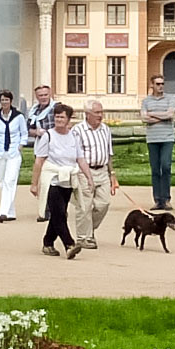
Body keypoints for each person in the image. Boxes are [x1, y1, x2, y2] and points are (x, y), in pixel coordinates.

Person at [39, 103, 87, 258]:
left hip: (68, 180)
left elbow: (80, 159)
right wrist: (34, 184)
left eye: (62, 117)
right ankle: (70, 244)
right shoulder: (48, 136)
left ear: (68, 119)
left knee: (58, 214)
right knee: (59, 214)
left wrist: (89, 177)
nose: (59, 119)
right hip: (52, 179)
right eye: (57, 116)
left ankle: (48, 243)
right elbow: (39, 161)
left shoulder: (74, 136)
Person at [73, 98, 120, 249]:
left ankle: (88, 230)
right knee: (84, 206)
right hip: (84, 171)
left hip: (102, 171)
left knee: (104, 203)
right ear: (87, 114)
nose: (100, 115)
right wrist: (85, 174)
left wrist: (112, 173)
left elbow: (109, 153)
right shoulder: (78, 131)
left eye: (101, 112)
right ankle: (83, 237)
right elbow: (76, 155)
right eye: (97, 112)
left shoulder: (105, 129)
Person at [0, 89, 28, 222]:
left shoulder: (19, 116)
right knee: (2, 182)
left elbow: (24, 133)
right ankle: (11, 212)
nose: (4, 102)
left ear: (11, 101)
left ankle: (3, 212)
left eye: (7, 100)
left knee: (9, 181)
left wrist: (20, 147)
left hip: (13, 153)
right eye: (2, 100)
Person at [140, 74, 175, 209]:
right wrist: (162, 117)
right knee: (155, 169)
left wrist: (152, 114)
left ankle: (166, 199)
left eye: (162, 84)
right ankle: (157, 200)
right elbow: (144, 118)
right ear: (152, 85)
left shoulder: (169, 99)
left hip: (167, 137)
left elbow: (170, 115)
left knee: (166, 166)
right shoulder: (146, 101)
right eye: (158, 84)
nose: (160, 86)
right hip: (152, 138)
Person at [24, 82, 58, 218]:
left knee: (54, 179)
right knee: (43, 178)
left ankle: (54, 208)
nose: (43, 97)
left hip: (55, 146)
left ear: (50, 94)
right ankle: (47, 208)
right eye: (40, 95)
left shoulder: (56, 108)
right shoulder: (34, 111)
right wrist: (36, 132)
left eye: (45, 94)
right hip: (41, 146)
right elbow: (27, 130)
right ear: (36, 97)